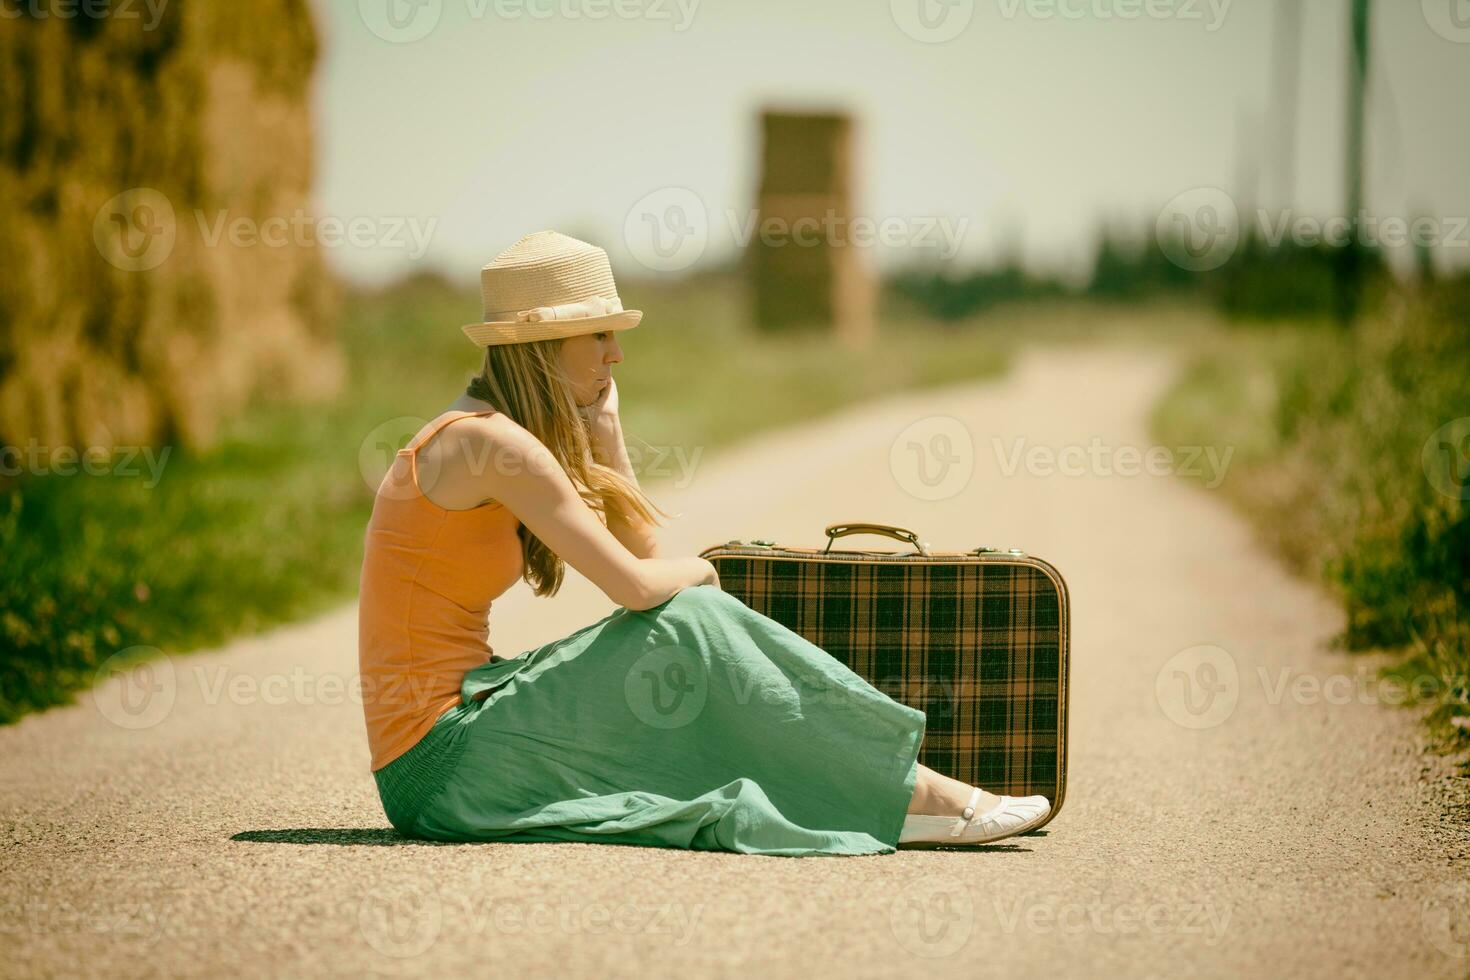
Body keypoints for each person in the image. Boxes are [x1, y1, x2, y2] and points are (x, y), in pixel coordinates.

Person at [357, 230, 1051, 855]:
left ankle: (900, 790)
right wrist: (709, 578)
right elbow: (638, 585)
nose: (617, 354)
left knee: (687, 630)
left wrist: (608, 436)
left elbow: (647, 568)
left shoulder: (477, 432)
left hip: (457, 731)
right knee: (692, 615)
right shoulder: (490, 444)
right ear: (542, 347)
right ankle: (915, 795)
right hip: (441, 763)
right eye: (599, 336)